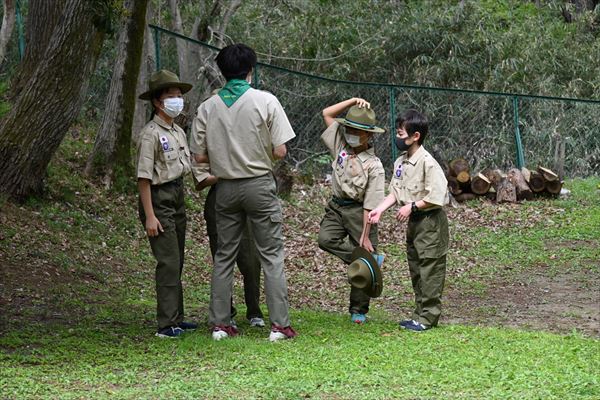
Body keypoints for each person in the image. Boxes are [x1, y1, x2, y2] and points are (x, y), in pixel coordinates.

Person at [190, 43, 297, 342]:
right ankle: (279, 326)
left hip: (224, 187)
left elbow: (198, 158)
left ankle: (220, 324)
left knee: (224, 255)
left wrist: (224, 158)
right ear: (251, 70)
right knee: (271, 254)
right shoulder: (265, 101)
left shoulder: (207, 107)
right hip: (259, 184)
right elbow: (280, 150)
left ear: (222, 72)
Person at [368, 109, 449, 332]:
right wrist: (380, 210)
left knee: (429, 268)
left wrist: (412, 206)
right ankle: (418, 314)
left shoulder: (428, 163)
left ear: (416, 136)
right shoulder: (401, 162)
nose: (398, 138)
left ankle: (428, 317)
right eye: (397, 133)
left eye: (401, 134)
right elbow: (395, 192)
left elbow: (437, 196)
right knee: (416, 267)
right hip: (414, 223)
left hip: (430, 222)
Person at [136, 69, 197, 338]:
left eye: (180, 96)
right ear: (158, 102)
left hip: (177, 195)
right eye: (172, 96)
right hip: (158, 198)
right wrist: (150, 215)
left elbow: (188, 165)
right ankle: (165, 324)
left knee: (177, 258)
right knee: (168, 261)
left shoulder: (177, 131)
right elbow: (143, 178)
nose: (178, 100)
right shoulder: (150, 134)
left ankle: (176, 317)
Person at [317, 97, 386, 324]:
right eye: (349, 129)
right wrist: (351, 102)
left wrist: (365, 236)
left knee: (364, 256)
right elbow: (327, 113)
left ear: (369, 134)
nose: (351, 133)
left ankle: (359, 310)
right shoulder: (340, 145)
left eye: (357, 130)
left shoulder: (374, 165)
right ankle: (367, 260)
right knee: (326, 239)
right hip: (337, 207)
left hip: (360, 212)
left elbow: (370, 204)